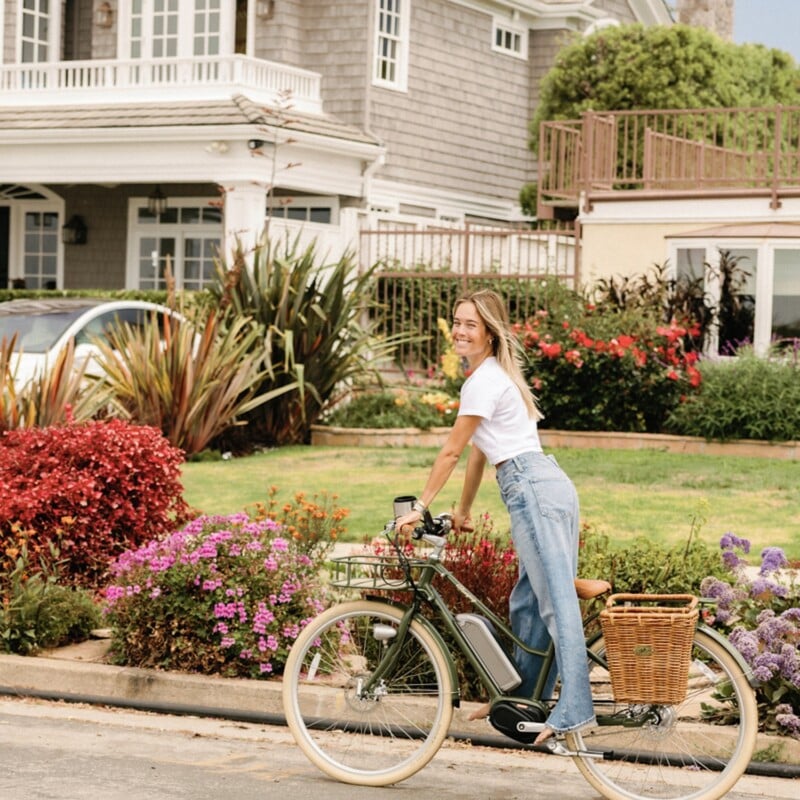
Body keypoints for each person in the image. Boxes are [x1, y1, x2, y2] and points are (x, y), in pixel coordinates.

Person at [394, 288, 595, 745]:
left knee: (553, 600)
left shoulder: (482, 380)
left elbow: (451, 450)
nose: (461, 331)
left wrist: (421, 506)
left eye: (471, 324)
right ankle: (521, 700)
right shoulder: (492, 376)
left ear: (489, 332)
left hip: (533, 488)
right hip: (538, 485)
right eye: (457, 322)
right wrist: (462, 510)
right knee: (526, 603)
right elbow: (479, 453)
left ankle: (575, 710)